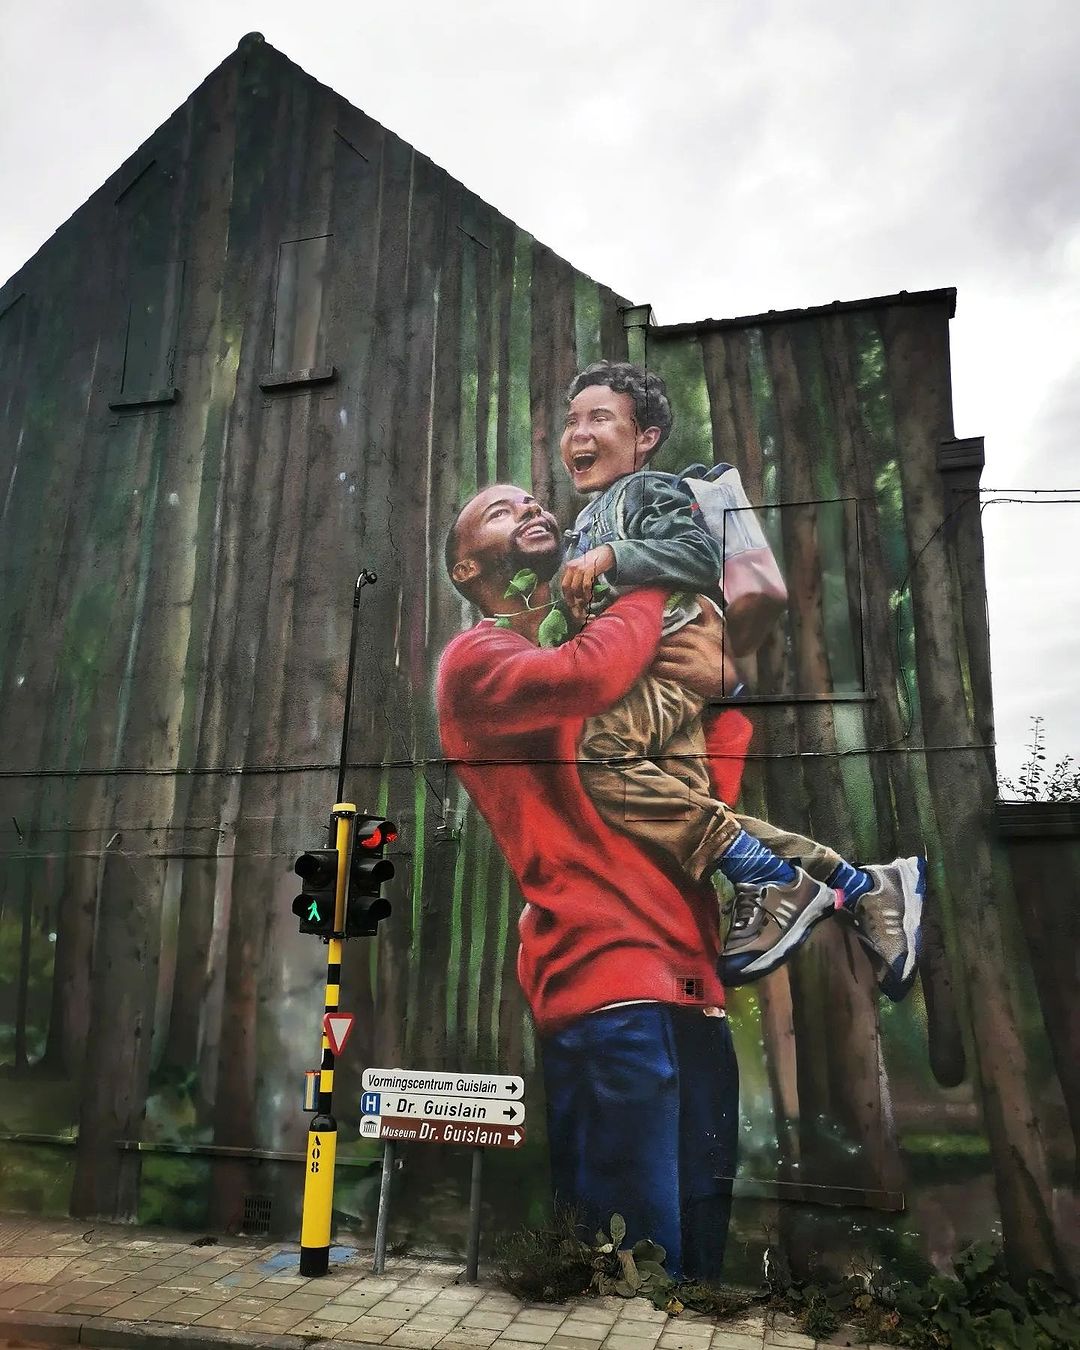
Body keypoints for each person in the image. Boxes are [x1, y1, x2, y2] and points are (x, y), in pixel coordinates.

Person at [438, 484, 739, 1279]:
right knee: (631, 1272)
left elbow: (711, 786)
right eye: (502, 511)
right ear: (467, 567)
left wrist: (722, 685)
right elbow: (591, 674)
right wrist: (647, 575)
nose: (532, 508)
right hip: (603, 981)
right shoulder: (480, 660)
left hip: (693, 979)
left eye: (534, 500)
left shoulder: (607, 636)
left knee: (697, 1270)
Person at [558, 361, 924, 998]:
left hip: (673, 657)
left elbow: (699, 554)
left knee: (602, 763)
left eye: (599, 418)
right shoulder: (588, 516)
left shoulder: (644, 493)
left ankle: (773, 880)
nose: (578, 434)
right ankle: (868, 889)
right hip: (651, 670)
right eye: (571, 422)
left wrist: (613, 554)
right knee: (693, 814)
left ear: (643, 439)